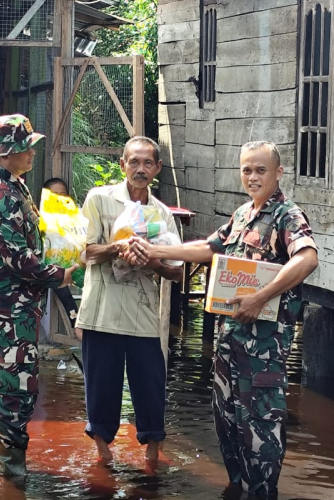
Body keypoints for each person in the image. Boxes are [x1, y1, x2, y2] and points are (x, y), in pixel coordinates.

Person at [125, 141, 319, 499]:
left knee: (261, 434)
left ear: (278, 173)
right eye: (247, 170)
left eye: (261, 170)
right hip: (230, 347)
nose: (252, 177)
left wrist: (261, 297)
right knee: (228, 426)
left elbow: (307, 258)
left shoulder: (287, 215)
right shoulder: (243, 215)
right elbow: (208, 248)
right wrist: (154, 250)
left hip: (262, 354)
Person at [0, 114, 77, 476]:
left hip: (9, 300)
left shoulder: (13, 184)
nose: (32, 153)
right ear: (4, 153)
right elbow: (18, 259)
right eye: (25, 148)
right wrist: (59, 275)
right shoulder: (2, 196)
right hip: (7, 304)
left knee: (1, 379)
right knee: (17, 385)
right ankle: (11, 473)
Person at [75, 136, 183, 467]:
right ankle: (103, 455)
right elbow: (82, 251)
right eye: (134, 162)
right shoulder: (99, 199)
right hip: (102, 310)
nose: (140, 169)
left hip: (143, 313)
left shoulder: (162, 214)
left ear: (158, 168)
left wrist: (151, 259)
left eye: (147, 163)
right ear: (122, 165)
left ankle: (152, 455)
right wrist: (118, 247)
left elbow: (176, 272)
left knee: (151, 386)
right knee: (101, 387)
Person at [42, 177, 83, 340]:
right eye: (55, 195)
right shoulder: (39, 220)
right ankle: (76, 324)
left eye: (63, 195)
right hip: (52, 271)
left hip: (77, 269)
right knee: (60, 281)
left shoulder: (78, 220)